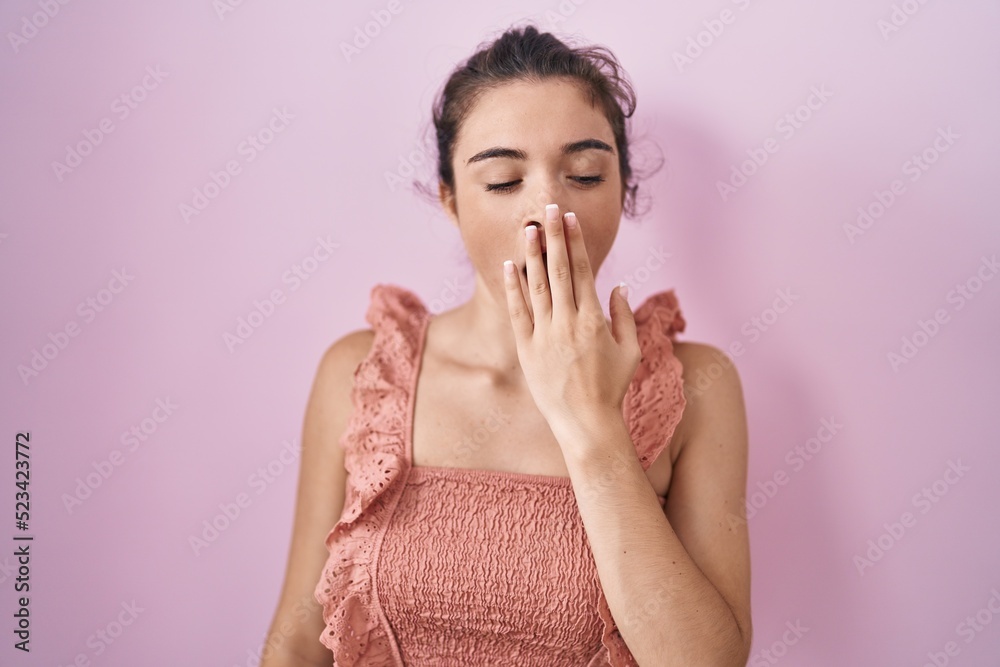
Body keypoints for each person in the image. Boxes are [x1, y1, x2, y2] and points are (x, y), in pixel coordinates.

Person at [261, 23, 752, 667]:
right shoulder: (359, 372)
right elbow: (300, 641)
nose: (547, 209)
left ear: (623, 187)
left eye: (585, 174)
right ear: (450, 200)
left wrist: (592, 421)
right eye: (501, 181)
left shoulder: (696, 386)